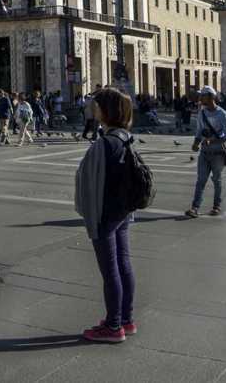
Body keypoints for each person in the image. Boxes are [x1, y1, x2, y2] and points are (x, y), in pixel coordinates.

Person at [75, 88, 140, 342]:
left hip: (105, 212)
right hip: (122, 210)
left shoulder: (104, 144)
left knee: (110, 269)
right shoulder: (125, 137)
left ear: (106, 111)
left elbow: (88, 182)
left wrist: (88, 215)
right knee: (123, 264)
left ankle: (113, 327)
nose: (94, 109)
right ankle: (126, 318)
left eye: (97, 106)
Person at [186, 89, 226, 219]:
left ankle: (216, 206)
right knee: (200, 180)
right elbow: (199, 130)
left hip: (218, 153)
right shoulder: (202, 113)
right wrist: (196, 143)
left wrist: (212, 139)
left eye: (203, 96)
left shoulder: (223, 114)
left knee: (217, 180)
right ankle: (195, 207)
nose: (200, 98)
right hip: (205, 152)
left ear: (211, 97)